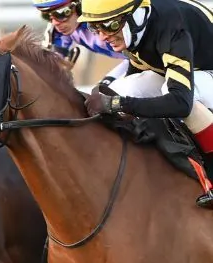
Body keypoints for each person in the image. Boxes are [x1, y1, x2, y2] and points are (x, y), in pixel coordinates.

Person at [80, 0, 213, 208]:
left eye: (109, 25)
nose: (102, 37)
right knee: (124, 88)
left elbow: (181, 103)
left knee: (175, 94)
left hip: (204, 73)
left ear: (136, 15)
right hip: (199, 69)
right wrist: (114, 97)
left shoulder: (171, 27)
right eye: (95, 27)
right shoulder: (137, 27)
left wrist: (116, 104)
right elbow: (138, 73)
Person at [33, 0, 129, 87]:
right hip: (130, 59)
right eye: (47, 15)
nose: (55, 23)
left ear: (80, 6)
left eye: (60, 13)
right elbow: (50, 67)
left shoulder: (103, 17)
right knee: (99, 92)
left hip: (136, 56)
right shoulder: (60, 30)